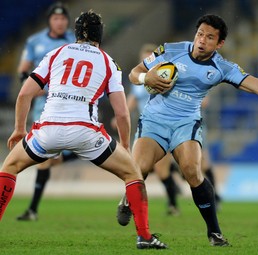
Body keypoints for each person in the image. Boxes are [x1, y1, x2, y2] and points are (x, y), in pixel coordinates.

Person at [121, 14, 258, 247]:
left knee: (192, 172)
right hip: (154, 120)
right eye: (200, 34)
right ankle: (130, 205)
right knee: (139, 171)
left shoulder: (222, 67)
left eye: (210, 37)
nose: (202, 40)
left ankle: (214, 232)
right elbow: (134, 74)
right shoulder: (171, 50)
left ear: (219, 43)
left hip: (186, 123)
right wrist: (147, 77)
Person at [0, 10, 167, 249]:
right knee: (133, 175)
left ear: (75, 33)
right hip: (86, 133)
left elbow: (25, 94)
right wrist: (126, 145)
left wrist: (18, 129)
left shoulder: (56, 54)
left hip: (47, 131)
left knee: (9, 167)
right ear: (100, 34)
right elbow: (121, 112)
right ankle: (144, 236)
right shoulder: (108, 61)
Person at [16, 2, 78, 221]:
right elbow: (23, 71)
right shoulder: (35, 41)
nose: (59, 22)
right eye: (55, 19)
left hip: (71, 107)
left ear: (67, 22)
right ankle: (32, 209)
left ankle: (32, 209)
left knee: (46, 157)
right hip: (43, 110)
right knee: (45, 158)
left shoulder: (75, 41)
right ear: (49, 21)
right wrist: (35, 86)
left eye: (63, 19)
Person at [115, 44, 181, 225]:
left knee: (161, 171)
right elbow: (131, 102)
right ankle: (129, 201)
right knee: (139, 168)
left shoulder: (167, 75)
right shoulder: (139, 82)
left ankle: (173, 204)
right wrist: (120, 117)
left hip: (163, 127)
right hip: (144, 128)